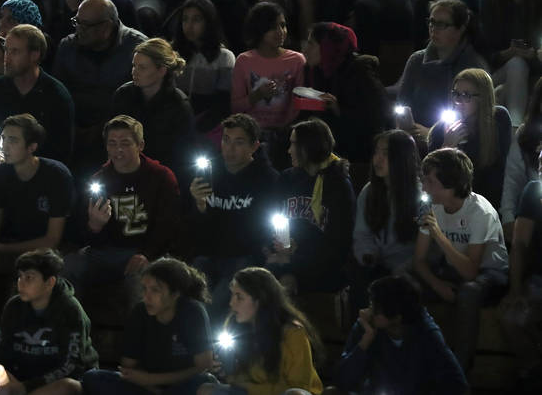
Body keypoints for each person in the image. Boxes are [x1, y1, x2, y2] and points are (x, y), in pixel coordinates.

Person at [62, 115, 180, 308]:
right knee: (68, 266)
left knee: (143, 280)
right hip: (106, 251)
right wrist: (94, 227)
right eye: (112, 144)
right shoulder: (99, 180)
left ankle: (141, 333)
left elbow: (168, 225)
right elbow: (84, 237)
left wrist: (147, 253)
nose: (118, 150)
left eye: (125, 143)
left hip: (145, 251)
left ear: (140, 145)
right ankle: (72, 329)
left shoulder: (161, 177)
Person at [0, 114, 74, 318]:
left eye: (13, 140)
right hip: (11, 247)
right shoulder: (1, 174)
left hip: (45, 254)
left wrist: (2, 247)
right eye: (4, 139)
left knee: (21, 277)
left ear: (31, 146)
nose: (5, 146)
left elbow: (52, 239)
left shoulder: (56, 175)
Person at [414, 147, 509, 371]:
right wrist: (437, 286)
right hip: (452, 267)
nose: (424, 187)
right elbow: (418, 260)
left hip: (490, 272)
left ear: (450, 185)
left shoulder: (479, 212)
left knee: (469, 291)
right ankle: (416, 365)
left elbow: (471, 272)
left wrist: (437, 233)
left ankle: (460, 372)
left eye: (429, 181)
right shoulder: (430, 203)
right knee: (405, 280)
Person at [0, 248, 97, 395]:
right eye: (20, 277)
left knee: (67, 387)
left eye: (29, 278)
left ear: (50, 282)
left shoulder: (70, 310)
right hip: (19, 377)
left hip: (51, 382)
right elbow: (0, 354)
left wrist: (26, 387)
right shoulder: (13, 306)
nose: (21, 283)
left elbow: (71, 366)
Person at [80, 258, 214, 395]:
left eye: (155, 290)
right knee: (93, 377)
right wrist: (152, 387)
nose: (146, 297)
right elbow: (128, 367)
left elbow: (204, 366)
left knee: (204, 381)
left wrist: (152, 380)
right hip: (146, 389)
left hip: (181, 386)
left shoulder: (192, 312)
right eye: (144, 289)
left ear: (175, 293)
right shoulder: (140, 312)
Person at [189, 114, 278, 317]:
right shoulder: (209, 172)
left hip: (245, 256)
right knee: (188, 297)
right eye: (226, 140)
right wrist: (199, 206)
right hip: (209, 254)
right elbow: (195, 227)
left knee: (217, 302)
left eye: (238, 142)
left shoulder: (267, 180)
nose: (229, 149)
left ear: (254, 146)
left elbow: (263, 231)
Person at [333, 275, 469, 395]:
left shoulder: (426, 333)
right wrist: (365, 342)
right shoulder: (367, 326)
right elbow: (342, 381)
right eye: (371, 304)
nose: (370, 311)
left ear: (397, 317)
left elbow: (456, 385)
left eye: (376, 308)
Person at [53, 0, 147, 168]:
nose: (79, 29)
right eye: (77, 22)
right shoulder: (67, 47)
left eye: (86, 25)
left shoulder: (137, 49)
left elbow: (139, 102)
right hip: (74, 133)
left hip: (121, 136)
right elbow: (58, 96)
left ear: (107, 27)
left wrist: (99, 132)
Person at [198, 266, 323, 395]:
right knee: (206, 389)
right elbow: (236, 380)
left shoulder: (292, 333)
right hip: (248, 391)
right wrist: (224, 372)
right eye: (232, 295)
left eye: (239, 297)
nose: (231, 303)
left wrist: (247, 388)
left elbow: (300, 386)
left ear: (261, 300)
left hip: (280, 393)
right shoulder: (233, 326)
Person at [268, 118, 355, 294]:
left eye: (294, 144)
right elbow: (270, 222)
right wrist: (280, 248)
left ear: (308, 148)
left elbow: (339, 244)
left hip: (321, 265)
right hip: (286, 259)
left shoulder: (337, 184)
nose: (289, 150)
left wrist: (296, 255)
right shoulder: (286, 179)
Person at [0, 23, 74, 163]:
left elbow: (61, 150)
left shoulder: (56, 95)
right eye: (6, 50)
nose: (7, 58)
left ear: (34, 55)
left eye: (15, 52)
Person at [427, 68, 513, 216]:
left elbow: (500, 173)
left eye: (466, 95)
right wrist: (446, 148)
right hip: (451, 207)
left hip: (487, 207)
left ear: (483, 98)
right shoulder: (441, 129)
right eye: (455, 94)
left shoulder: (498, 119)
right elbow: (430, 179)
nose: (458, 101)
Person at [396, 0, 488, 137]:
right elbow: (403, 101)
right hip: (413, 135)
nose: (434, 29)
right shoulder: (416, 60)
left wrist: (432, 133)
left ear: (460, 29)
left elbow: (474, 119)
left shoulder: (473, 65)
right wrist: (404, 126)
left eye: (442, 24)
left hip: (453, 141)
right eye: (432, 22)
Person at [351, 130, 422, 309]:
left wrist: (405, 268)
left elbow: (431, 249)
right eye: (376, 152)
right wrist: (368, 255)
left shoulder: (421, 196)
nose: (378, 159)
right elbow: (362, 234)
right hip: (377, 264)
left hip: (408, 268)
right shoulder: (369, 192)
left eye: (386, 153)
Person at [478, 0, 542, 128]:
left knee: (503, 93)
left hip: (534, 68)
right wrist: (510, 53)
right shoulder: (489, 0)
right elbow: (484, 52)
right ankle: (515, 130)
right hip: (497, 69)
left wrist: (532, 55)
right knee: (516, 65)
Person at [301, 22, 385, 164]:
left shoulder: (360, 72)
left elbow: (375, 119)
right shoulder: (317, 70)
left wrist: (339, 109)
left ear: (328, 47)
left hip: (358, 153)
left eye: (311, 44)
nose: (305, 51)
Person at [231, 2, 305, 158]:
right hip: (252, 134)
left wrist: (284, 128)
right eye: (272, 27)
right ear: (259, 29)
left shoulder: (297, 60)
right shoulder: (244, 61)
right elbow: (235, 106)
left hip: (287, 134)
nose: (280, 32)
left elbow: (298, 104)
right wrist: (257, 95)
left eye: (283, 25)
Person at [111, 39, 194, 167]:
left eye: (142, 67)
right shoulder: (123, 95)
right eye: (134, 65)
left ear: (162, 71)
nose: (134, 71)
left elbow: (182, 155)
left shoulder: (179, 105)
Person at [500, 162, 542, 387]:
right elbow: (519, 244)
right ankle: (532, 371)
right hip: (537, 281)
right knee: (512, 317)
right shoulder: (534, 191)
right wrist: (515, 289)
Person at [170, 0, 235, 135]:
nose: (189, 25)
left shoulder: (224, 57)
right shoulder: (172, 53)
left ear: (209, 22)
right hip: (175, 122)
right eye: (185, 19)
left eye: (196, 19)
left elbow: (222, 104)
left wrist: (196, 127)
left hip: (207, 127)